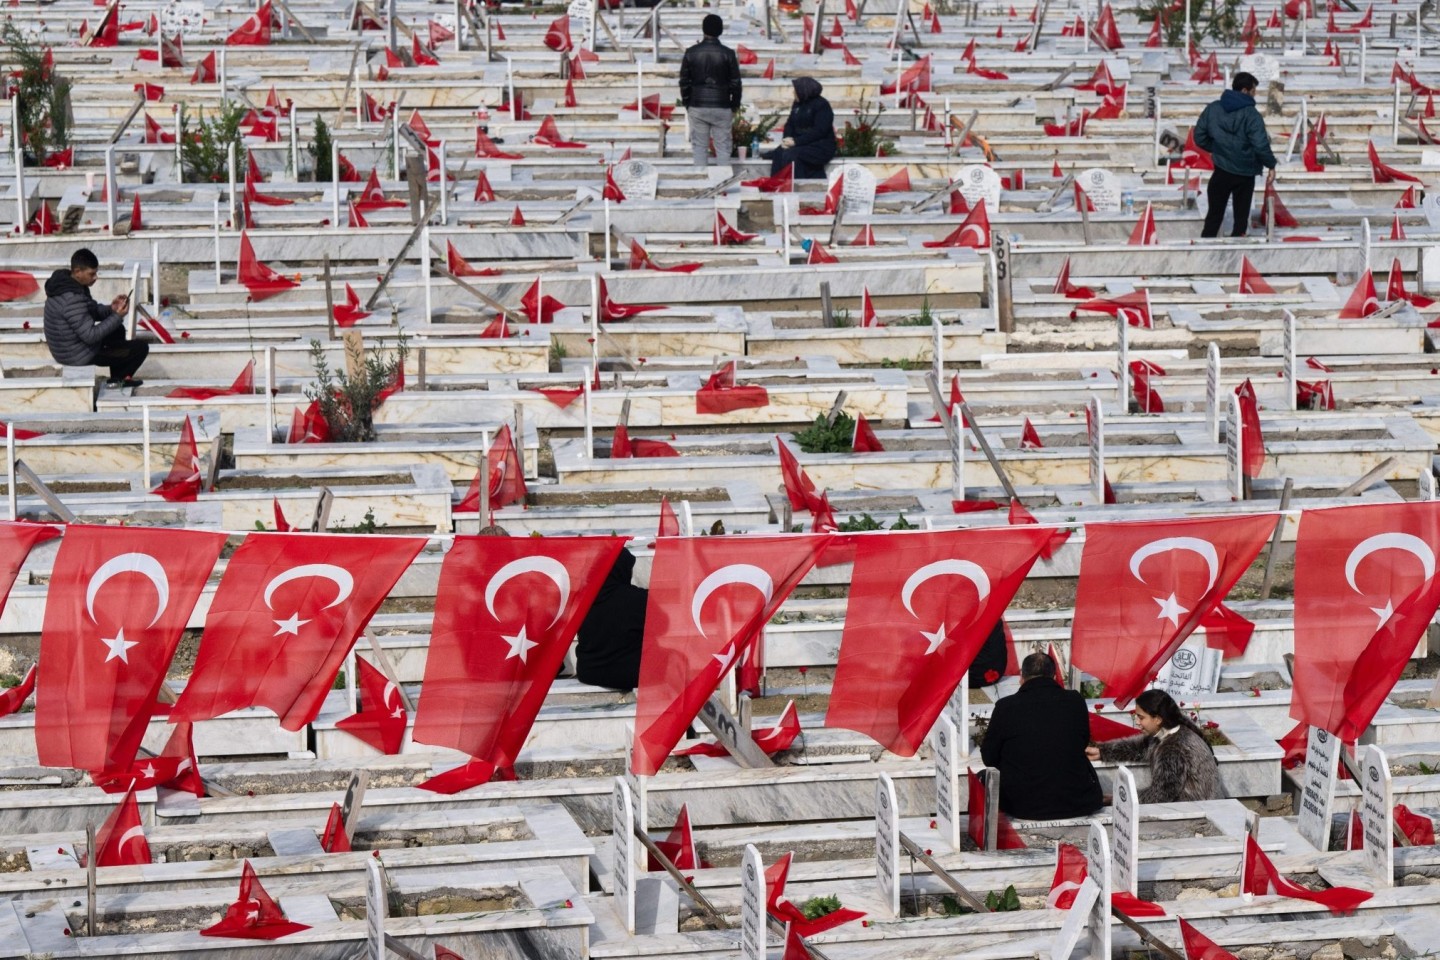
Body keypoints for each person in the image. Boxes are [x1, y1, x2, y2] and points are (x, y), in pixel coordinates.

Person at [980, 652, 1103, 821]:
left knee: (982, 777)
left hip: (1025, 805)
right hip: (1075, 801)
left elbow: (989, 757)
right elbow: (1081, 741)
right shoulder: (1074, 700)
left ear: (1021, 677)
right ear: (1053, 676)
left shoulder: (1006, 707)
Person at [1086, 689, 1223, 803]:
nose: (1138, 722)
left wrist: (1119, 799)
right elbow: (1139, 748)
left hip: (1199, 810)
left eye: (1141, 717)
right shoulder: (1174, 731)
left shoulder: (1173, 749)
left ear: (1157, 719)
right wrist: (1102, 752)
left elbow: (1162, 795)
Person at [43, 248, 147, 388]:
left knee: (117, 329)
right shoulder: (72, 299)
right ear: (78, 272)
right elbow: (91, 336)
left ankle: (117, 378)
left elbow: (90, 309)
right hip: (76, 354)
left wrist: (112, 308)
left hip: (70, 346)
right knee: (139, 348)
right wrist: (117, 316)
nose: (95, 277)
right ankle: (119, 381)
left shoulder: (68, 284)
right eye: (91, 274)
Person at [1192, 72, 1277, 239]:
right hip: (1244, 175)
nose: (1255, 95)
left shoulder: (1213, 108)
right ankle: (1237, 258)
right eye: (1254, 91)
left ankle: (1202, 255)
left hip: (1221, 171)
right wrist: (1271, 164)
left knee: (1213, 218)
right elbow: (1260, 144)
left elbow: (1199, 136)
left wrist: (1218, 148)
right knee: (1240, 223)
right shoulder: (1252, 115)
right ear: (1245, 91)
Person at [574, 547, 646, 691]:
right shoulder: (638, 599)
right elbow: (664, 625)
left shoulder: (581, 598)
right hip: (630, 674)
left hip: (588, 672)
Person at [679, 14, 742, 168]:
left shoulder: (691, 52)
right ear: (720, 30)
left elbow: (684, 81)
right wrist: (734, 105)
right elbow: (735, 83)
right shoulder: (728, 53)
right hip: (722, 104)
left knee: (699, 147)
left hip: (698, 104)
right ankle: (723, 186)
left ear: (703, 29)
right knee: (723, 148)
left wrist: (688, 102)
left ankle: (701, 182)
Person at [766, 77, 836, 179]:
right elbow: (790, 124)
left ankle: (799, 186)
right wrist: (787, 139)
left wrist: (796, 141)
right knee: (779, 153)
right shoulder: (798, 104)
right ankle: (776, 184)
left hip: (820, 146)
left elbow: (820, 131)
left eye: (796, 90)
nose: (793, 93)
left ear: (804, 91)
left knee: (793, 155)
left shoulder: (822, 105)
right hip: (800, 143)